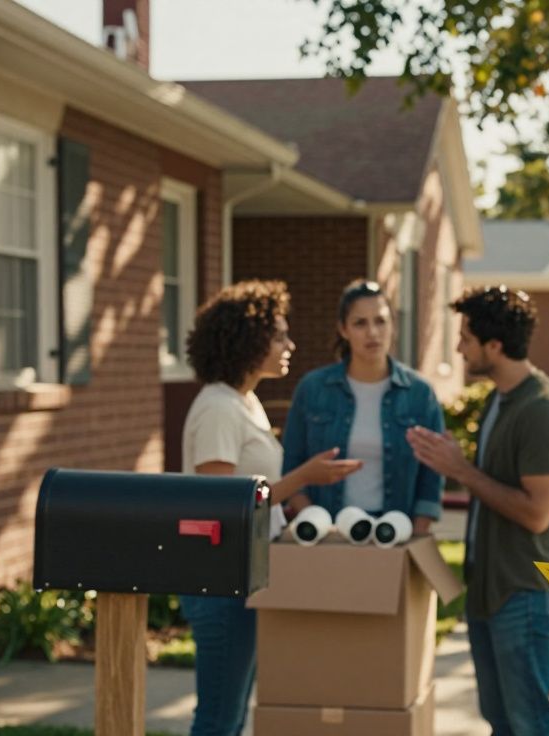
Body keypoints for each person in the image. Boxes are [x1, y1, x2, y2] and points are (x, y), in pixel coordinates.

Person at [180, 279, 362, 736]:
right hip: (218, 583)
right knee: (218, 718)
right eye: (279, 335)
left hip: (243, 574)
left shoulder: (245, 402)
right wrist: (304, 478)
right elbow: (219, 503)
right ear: (248, 340)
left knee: (230, 714)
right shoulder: (220, 408)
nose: (290, 344)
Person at [406, 285, 549, 736]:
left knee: (531, 723)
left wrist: (461, 470)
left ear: (494, 346)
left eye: (465, 337)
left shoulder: (543, 411)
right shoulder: (499, 401)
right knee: (501, 721)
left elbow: (537, 513)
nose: (459, 347)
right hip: (489, 591)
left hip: (523, 593)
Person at [281, 279, 445, 530]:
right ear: (343, 330)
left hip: (395, 531)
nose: (373, 332)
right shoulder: (313, 389)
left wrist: (414, 533)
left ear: (393, 325)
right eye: (360, 323)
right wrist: (317, 523)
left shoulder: (419, 394)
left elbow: (432, 477)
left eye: (380, 321)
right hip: (328, 530)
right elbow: (293, 465)